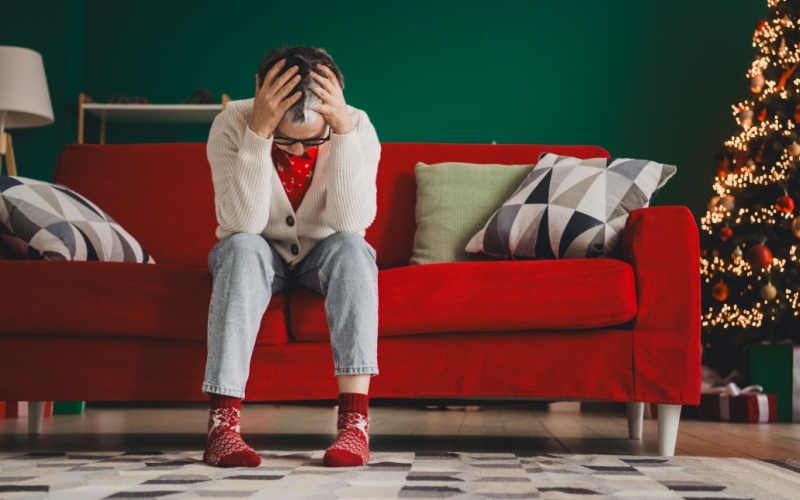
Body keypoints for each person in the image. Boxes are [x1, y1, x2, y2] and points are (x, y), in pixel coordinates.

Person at [201, 45, 381, 468]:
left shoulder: (356, 124)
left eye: (312, 140)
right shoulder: (232, 122)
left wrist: (342, 135)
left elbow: (351, 220)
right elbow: (241, 222)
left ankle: (355, 426)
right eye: (287, 140)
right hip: (255, 250)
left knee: (355, 249)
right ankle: (222, 428)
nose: (299, 152)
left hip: (326, 252)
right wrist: (259, 135)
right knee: (242, 247)